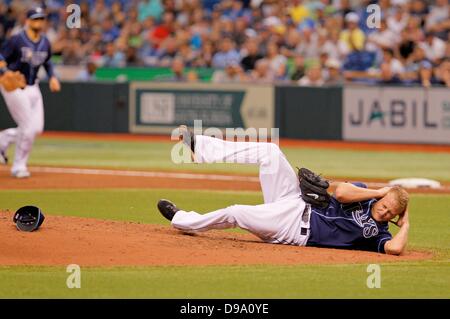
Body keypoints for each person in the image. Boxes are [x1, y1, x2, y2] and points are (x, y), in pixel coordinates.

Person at [157, 126, 410, 256]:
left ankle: (183, 221)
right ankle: (200, 146)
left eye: (391, 213)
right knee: (270, 152)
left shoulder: (378, 233)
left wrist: (405, 223)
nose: (385, 212)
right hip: (295, 202)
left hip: (293, 228)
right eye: (385, 205)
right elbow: (342, 192)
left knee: (236, 212)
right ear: (383, 196)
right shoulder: (367, 196)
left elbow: (395, 250)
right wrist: (377, 193)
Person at [0, 7, 61, 178]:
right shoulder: (16, 40)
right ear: (27, 21)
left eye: (41, 19)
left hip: (33, 86)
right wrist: (5, 73)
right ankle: (18, 166)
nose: (39, 22)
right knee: (27, 127)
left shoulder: (45, 42)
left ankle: (2, 140)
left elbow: (47, 62)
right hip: (15, 87)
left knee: (35, 128)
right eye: (35, 18)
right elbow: (1, 57)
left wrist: (53, 77)